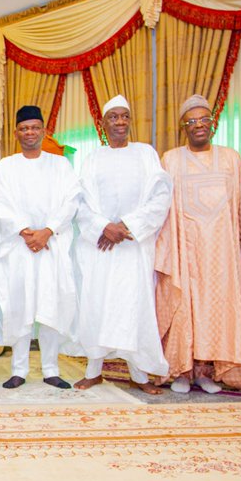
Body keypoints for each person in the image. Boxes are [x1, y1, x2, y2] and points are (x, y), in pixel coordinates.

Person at [154, 94, 241, 394]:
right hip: (184, 251)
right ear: (183, 126)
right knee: (185, 309)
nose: (198, 125)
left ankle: (208, 373)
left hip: (222, 253)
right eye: (192, 121)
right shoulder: (171, 159)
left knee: (216, 310)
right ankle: (182, 371)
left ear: (213, 124)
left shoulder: (230, 158)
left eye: (204, 120)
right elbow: (162, 207)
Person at [70, 95, 172, 395]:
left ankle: (138, 374)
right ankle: (94, 370)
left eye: (124, 117)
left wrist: (127, 225)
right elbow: (81, 202)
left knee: (134, 306)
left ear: (130, 121)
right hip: (100, 247)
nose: (119, 122)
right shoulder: (92, 158)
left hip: (133, 246)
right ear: (103, 123)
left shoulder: (145, 154)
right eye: (113, 117)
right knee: (97, 304)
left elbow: (161, 195)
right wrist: (104, 227)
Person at [0, 105, 81, 389]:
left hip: (51, 246)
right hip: (19, 247)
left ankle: (51, 369)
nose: (30, 132)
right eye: (24, 128)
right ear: (17, 133)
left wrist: (48, 231)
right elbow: (1, 203)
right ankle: (19, 370)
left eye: (35, 127)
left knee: (53, 303)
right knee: (20, 305)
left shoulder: (61, 165)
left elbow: (71, 201)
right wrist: (27, 233)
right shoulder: (6, 166)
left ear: (43, 131)